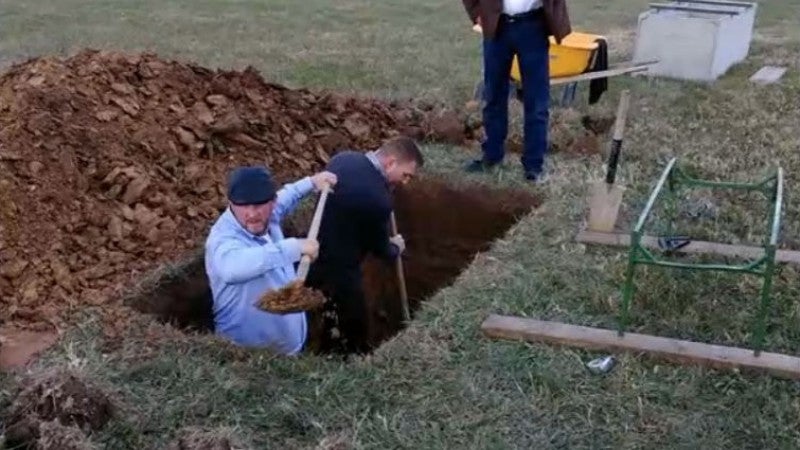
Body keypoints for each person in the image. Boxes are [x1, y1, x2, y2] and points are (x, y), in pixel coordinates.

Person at [306, 136, 424, 354]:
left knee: (313, 307)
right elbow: (381, 249)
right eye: (406, 175)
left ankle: (319, 335)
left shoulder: (343, 159)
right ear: (390, 163)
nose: (405, 181)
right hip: (341, 267)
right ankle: (352, 356)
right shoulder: (378, 200)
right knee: (354, 322)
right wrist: (396, 246)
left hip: (312, 253)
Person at [204, 165, 337, 355]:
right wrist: (294, 248)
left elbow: (286, 196)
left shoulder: (269, 215)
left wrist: (311, 182)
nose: (251, 213)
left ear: (271, 203)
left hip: (288, 348)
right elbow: (232, 269)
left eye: (258, 205)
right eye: (242, 206)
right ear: (231, 204)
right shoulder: (223, 239)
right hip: (250, 357)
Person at [462, 0, 571, 183]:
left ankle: (534, 165)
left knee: (537, 102)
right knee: (494, 96)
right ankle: (492, 155)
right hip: (497, 25)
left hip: (533, 26)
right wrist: (475, 12)